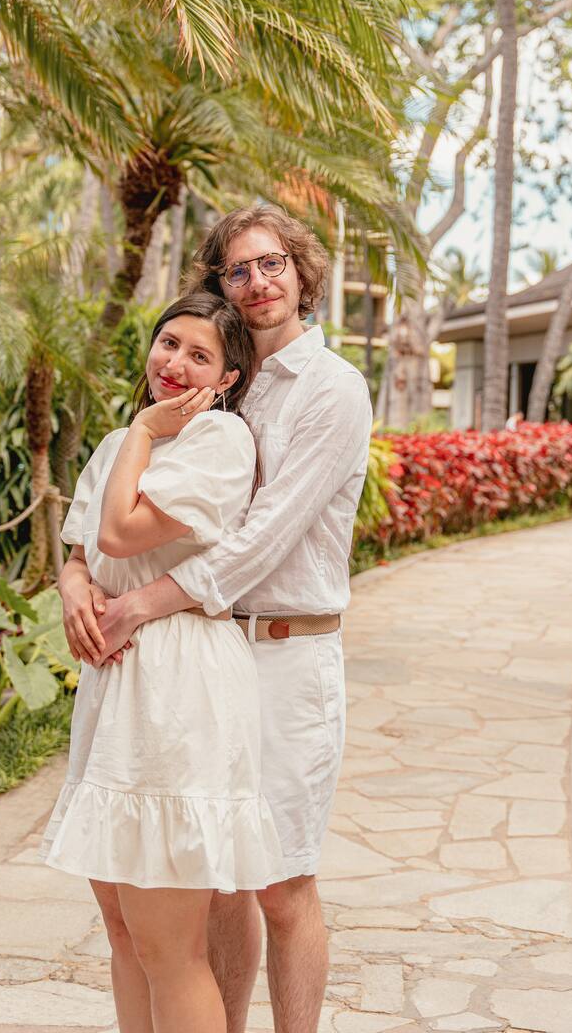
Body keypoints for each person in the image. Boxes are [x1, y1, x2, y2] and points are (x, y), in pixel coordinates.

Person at [61, 205, 373, 1033]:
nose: (257, 281)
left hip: (287, 649)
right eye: (238, 269)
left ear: (302, 272)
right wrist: (75, 581)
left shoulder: (332, 389)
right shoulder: (216, 387)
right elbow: (97, 526)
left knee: (283, 885)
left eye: (272, 264)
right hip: (205, 657)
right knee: (217, 881)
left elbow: (264, 539)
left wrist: (137, 605)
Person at [41, 292, 285, 1033]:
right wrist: (73, 590)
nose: (174, 363)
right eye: (168, 343)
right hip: (114, 687)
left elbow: (120, 533)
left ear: (228, 378)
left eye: (199, 355)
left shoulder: (219, 440)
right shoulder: (122, 442)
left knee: (170, 948)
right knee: (123, 934)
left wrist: (147, 428)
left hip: (179, 686)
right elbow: (82, 554)